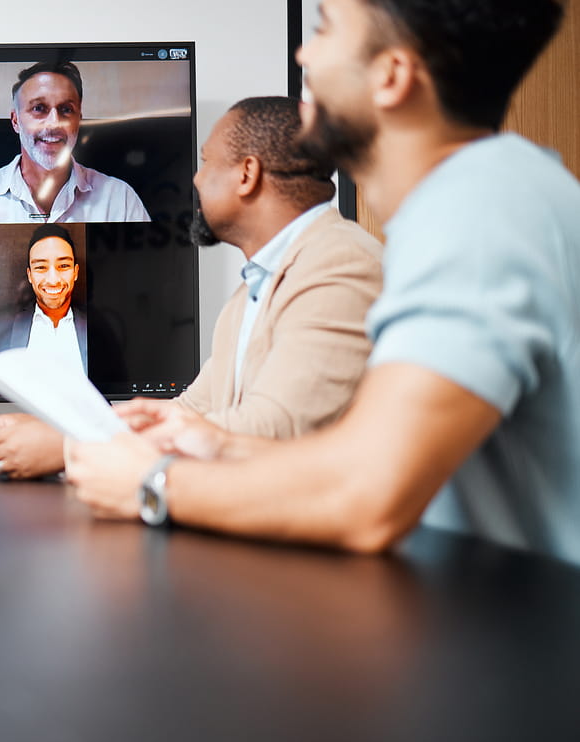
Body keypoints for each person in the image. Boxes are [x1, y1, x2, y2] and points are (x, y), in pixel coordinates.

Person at [66, 0, 580, 564]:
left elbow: (368, 496)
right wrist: (219, 443)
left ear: (391, 76)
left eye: (325, 28)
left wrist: (152, 483)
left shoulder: (478, 212)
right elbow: (367, 452)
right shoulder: (474, 200)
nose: (304, 54)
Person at [0, 96, 383, 478]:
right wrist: (58, 427)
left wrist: (67, 446)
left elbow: (273, 428)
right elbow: (192, 410)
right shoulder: (253, 288)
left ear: (247, 175)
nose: (196, 180)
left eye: (206, 162)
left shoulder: (339, 263)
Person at [0, 61, 150, 223]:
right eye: (39, 108)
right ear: (16, 121)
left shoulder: (120, 199)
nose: (54, 123)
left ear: (79, 120)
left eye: (66, 110)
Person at [0, 223, 90, 374]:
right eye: (40, 267)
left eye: (63, 265)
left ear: (75, 272)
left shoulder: (99, 331)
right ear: (30, 275)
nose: (53, 280)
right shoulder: (1, 329)